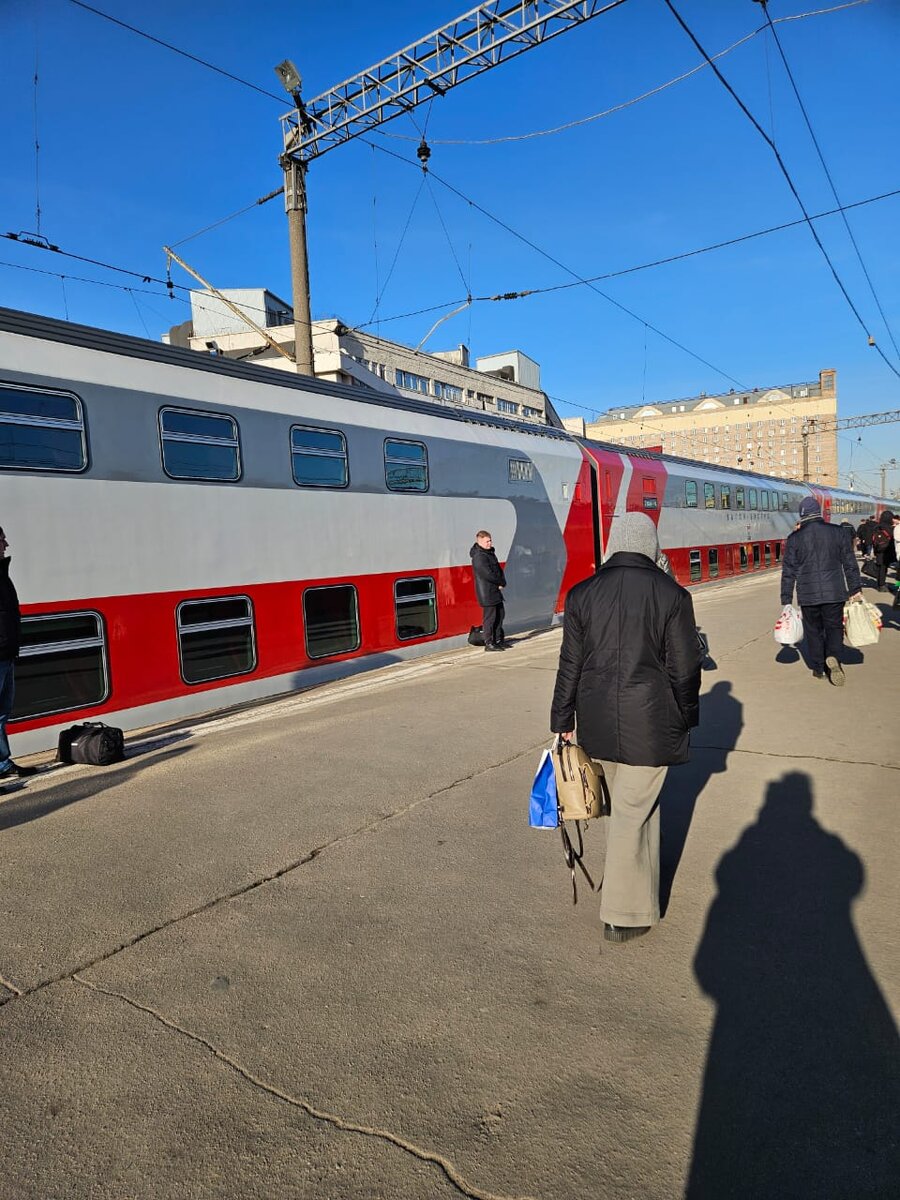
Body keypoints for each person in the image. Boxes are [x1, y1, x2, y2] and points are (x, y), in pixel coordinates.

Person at [550, 512, 702, 943]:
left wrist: (562, 721)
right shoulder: (672, 595)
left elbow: (570, 666)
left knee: (633, 810)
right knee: (632, 816)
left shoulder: (583, 594)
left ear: (612, 544)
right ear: (650, 546)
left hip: (597, 724)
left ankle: (643, 895)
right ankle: (621, 913)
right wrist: (687, 713)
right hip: (652, 724)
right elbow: (686, 668)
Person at [780, 497, 863, 685]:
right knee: (834, 628)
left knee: (813, 631)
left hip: (808, 595)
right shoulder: (838, 532)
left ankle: (818, 668)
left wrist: (786, 598)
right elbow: (850, 563)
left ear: (802, 514)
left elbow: (788, 571)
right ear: (819, 512)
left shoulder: (794, 538)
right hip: (834, 592)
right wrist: (855, 588)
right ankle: (833, 657)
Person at [0, 526, 37, 781]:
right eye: (2, 539)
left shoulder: (2, 573)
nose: (6, 544)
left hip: (6, 652)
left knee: (3, 712)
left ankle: (2, 764)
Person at [470, 530, 507, 652]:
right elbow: (487, 574)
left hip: (494, 590)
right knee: (490, 618)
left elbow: (497, 569)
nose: (489, 543)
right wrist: (500, 582)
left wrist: (502, 581)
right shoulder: (479, 556)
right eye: (487, 541)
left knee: (500, 614)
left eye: (490, 540)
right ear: (479, 541)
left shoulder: (490, 553)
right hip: (487, 592)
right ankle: (489, 643)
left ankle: (497, 640)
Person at [871, 509, 897, 592]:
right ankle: (882, 585)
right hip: (887, 551)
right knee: (883, 569)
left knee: (880, 568)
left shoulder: (876, 527)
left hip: (879, 550)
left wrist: (875, 550)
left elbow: (873, 540)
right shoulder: (891, 528)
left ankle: (881, 584)